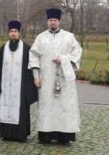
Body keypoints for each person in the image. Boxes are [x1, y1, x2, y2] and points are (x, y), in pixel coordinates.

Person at [29, 8, 82, 145]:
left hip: (64, 79)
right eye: (51, 20)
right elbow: (33, 56)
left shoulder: (69, 37)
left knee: (64, 106)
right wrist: (36, 76)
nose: (53, 22)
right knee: (47, 106)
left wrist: (64, 59)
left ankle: (64, 137)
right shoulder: (40, 38)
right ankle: (45, 136)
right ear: (47, 21)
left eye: (55, 20)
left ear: (59, 21)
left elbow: (77, 53)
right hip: (46, 79)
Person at [0, 20, 37, 142]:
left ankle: (21, 134)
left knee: (21, 110)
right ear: (8, 33)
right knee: (6, 108)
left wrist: (29, 86)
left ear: (19, 33)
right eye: (11, 31)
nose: (13, 33)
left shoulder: (26, 48)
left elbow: (30, 68)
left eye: (15, 31)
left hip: (20, 87)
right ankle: (6, 133)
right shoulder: (3, 48)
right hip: (5, 86)